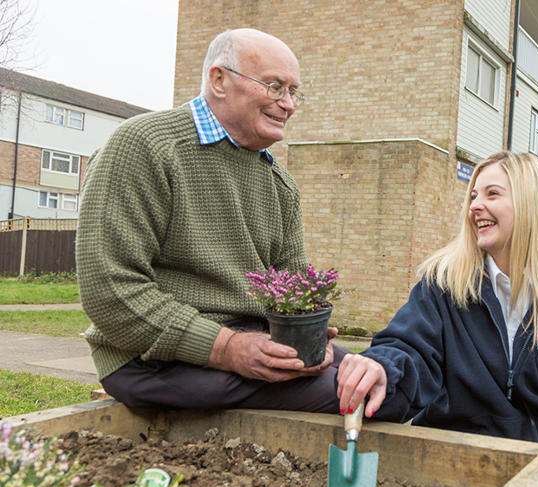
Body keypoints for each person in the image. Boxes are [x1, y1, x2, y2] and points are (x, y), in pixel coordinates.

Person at [77, 28, 347, 413]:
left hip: (254, 341)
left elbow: (293, 290)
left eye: (293, 92)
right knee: (360, 394)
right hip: (151, 360)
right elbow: (110, 291)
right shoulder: (144, 145)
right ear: (219, 80)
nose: (288, 104)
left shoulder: (279, 182)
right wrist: (227, 348)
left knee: (378, 373)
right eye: (274, 87)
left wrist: (311, 333)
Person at [337, 151, 538, 475]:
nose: (474, 206)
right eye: (473, 195)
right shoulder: (443, 284)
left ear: (531, 205)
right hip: (455, 465)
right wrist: (383, 367)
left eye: (492, 194)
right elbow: (410, 347)